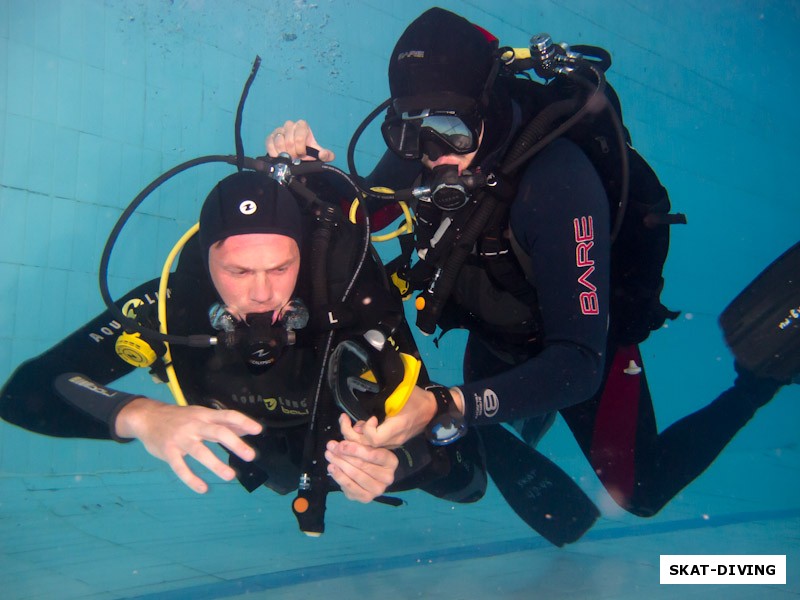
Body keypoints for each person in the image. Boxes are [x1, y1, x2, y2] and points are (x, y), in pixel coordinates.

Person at [266, 6, 795, 523]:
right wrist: (306, 175)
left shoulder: (558, 185)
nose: (430, 153)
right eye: (407, 131)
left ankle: (753, 386)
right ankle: (497, 419)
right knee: (463, 426)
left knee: (642, 491)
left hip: (582, 350)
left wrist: (448, 404)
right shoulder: (425, 142)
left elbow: (579, 364)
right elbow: (357, 210)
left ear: (488, 106)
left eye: (449, 128)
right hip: (495, 339)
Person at [0, 167, 487, 531]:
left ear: (302, 254)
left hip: (350, 452)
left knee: (466, 483)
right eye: (237, 272)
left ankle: (496, 426)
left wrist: (396, 461)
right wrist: (141, 416)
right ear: (206, 259)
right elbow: (25, 391)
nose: (262, 294)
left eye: (280, 268)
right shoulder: (170, 307)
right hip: (267, 464)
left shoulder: (342, 299)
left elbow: (423, 405)